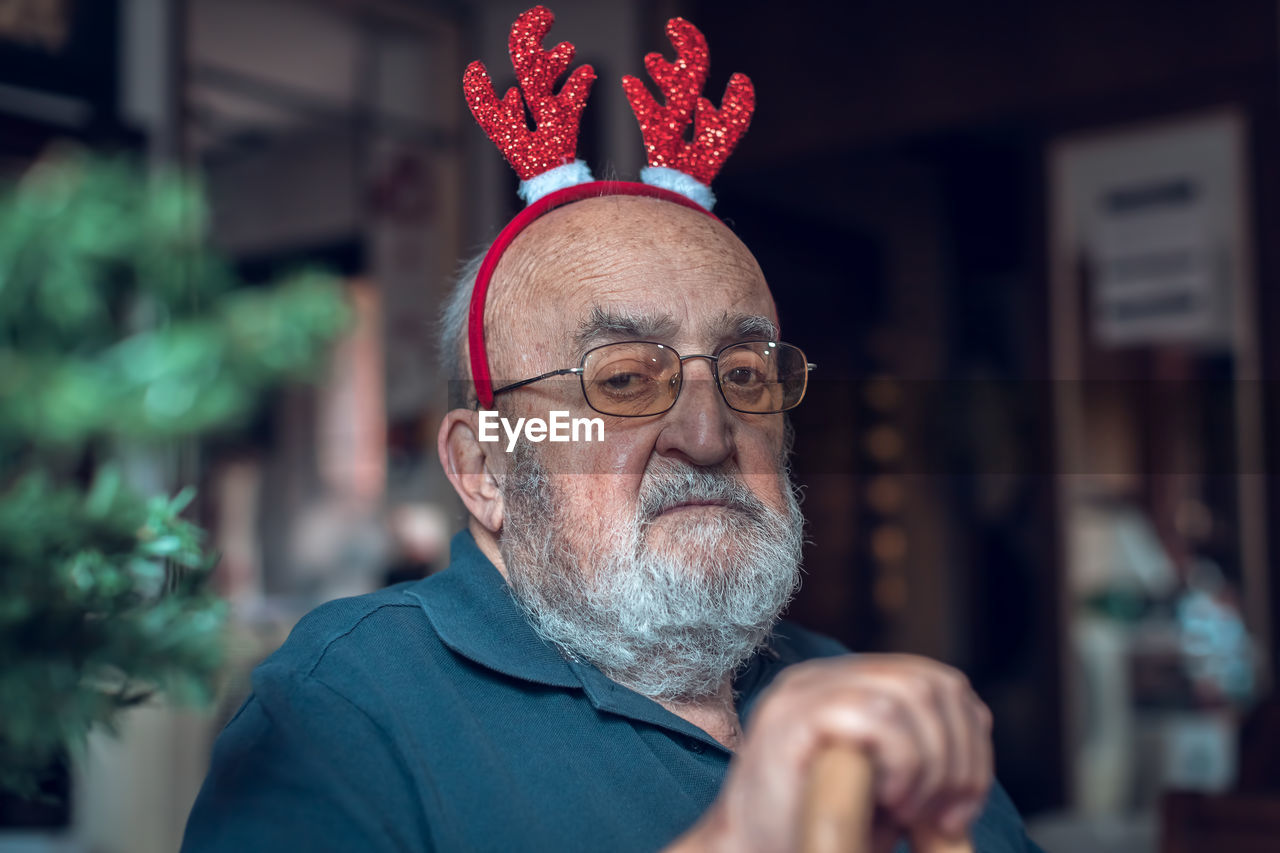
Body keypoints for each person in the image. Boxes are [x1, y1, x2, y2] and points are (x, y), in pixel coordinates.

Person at [182, 8, 1042, 852]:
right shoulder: (347, 708)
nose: (707, 432)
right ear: (484, 466)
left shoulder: (854, 694)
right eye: (625, 379)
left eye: (745, 376)